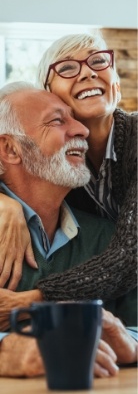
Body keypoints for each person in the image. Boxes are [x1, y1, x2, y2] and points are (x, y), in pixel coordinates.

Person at [0, 82, 137, 377]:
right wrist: (4, 351)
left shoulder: (108, 238)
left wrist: (128, 341)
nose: (83, 130)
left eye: (74, 119)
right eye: (57, 120)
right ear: (10, 148)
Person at [0, 30, 136, 299]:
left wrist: (37, 300)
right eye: (67, 68)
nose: (88, 73)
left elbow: (130, 254)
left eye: (98, 61)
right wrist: (5, 204)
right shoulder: (55, 163)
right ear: (49, 94)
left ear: (116, 87)